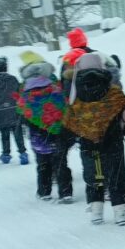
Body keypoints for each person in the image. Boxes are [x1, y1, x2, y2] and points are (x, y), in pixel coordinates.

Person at [65, 53, 125, 226]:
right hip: (113, 140)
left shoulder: (76, 94)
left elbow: (69, 120)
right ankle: (120, 213)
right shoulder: (112, 91)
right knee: (116, 174)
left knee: (94, 175)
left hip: (88, 143)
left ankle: (96, 212)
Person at [15, 51, 75, 203]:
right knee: (61, 163)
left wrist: (35, 124)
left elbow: (22, 117)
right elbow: (66, 109)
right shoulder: (56, 91)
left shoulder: (26, 98)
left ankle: (44, 191)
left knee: (43, 164)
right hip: (58, 134)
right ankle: (66, 192)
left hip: (38, 136)